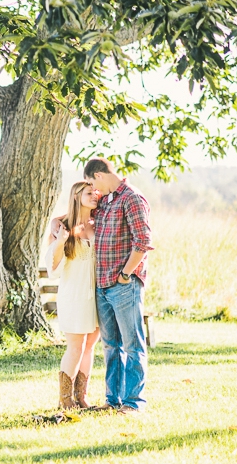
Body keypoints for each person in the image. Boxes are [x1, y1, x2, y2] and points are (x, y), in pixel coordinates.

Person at [84, 157, 153, 414]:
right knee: (111, 346)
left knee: (133, 345)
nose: (94, 189)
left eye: (92, 183)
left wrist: (125, 274)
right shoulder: (106, 201)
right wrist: (57, 223)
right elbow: (77, 211)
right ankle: (113, 401)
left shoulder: (131, 198)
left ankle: (134, 403)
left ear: (99, 175)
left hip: (123, 284)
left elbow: (143, 241)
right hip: (102, 286)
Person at [45, 181, 101, 410]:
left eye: (95, 192)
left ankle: (82, 396)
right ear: (76, 197)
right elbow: (53, 269)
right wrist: (60, 242)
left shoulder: (99, 224)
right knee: (76, 346)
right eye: (89, 193)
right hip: (74, 296)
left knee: (90, 346)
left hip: (97, 295)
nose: (94, 195)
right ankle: (65, 399)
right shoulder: (62, 225)